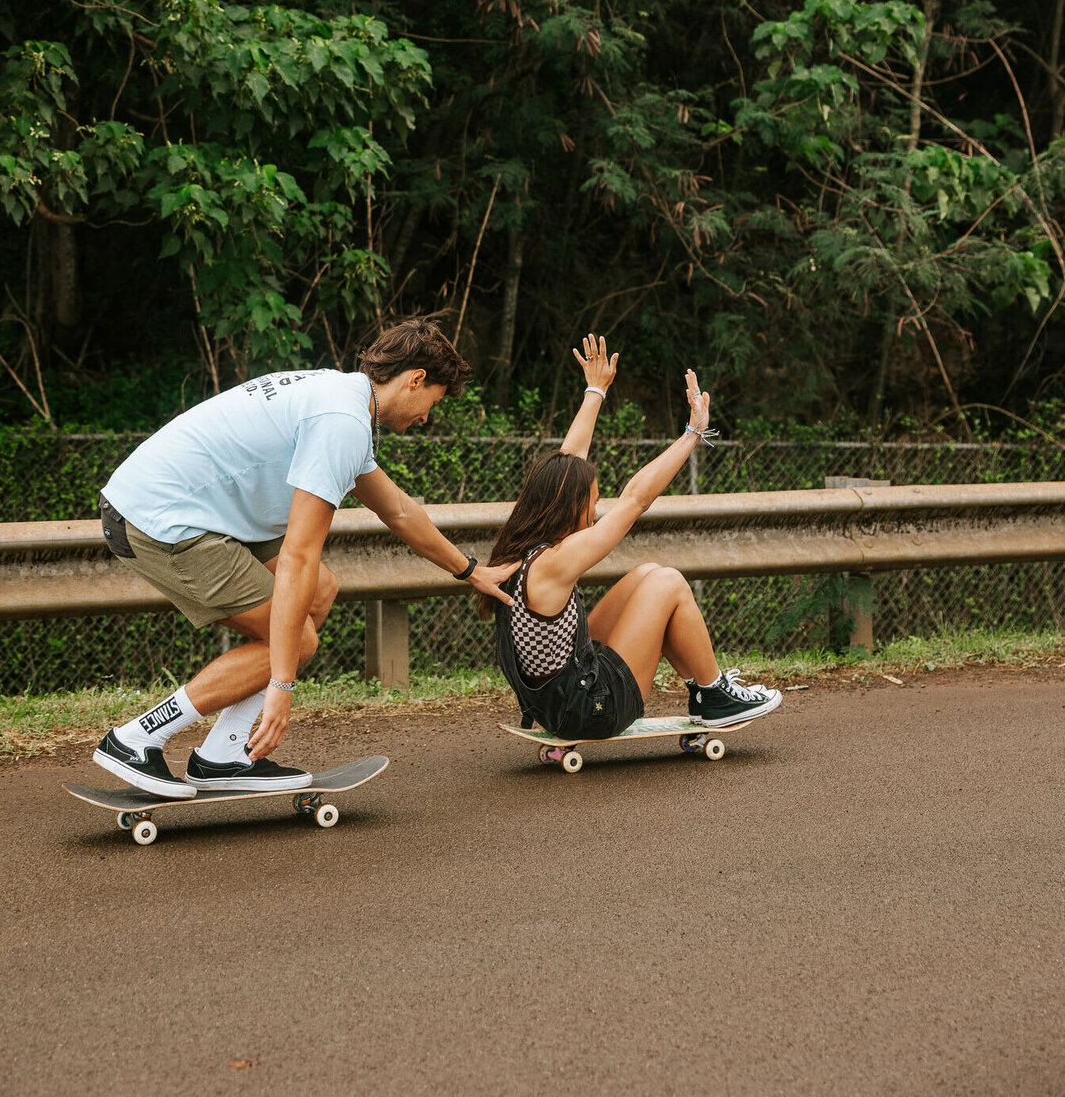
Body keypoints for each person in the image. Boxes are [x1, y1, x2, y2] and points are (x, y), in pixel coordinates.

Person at [92, 317, 516, 797]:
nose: (426, 417)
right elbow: (297, 555)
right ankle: (135, 739)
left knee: (321, 591)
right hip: (160, 519)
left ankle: (223, 756)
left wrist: (470, 570)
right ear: (416, 379)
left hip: (197, 511)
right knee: (296, 643)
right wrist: (282, 685)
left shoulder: (341, 398)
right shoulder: (341, 423)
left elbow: (398, 511)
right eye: (432, 403)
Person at [479, 335, 781, 740]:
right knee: (668, 581)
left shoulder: (527, 541)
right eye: (593, 502)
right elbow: (637, 498)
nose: (596, 510)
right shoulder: (556, 561)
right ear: (569, 506)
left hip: (558, 697)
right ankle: (713, 694)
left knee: (646, 574)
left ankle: (704, 688)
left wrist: (595, 390)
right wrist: (693, 432)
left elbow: (569, 462)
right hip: (588, 709)